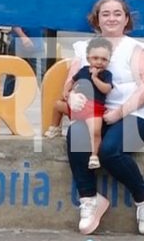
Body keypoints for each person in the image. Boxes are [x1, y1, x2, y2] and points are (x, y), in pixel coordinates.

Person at [65, 0, 144, 236]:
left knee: (109, 151)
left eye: (117, 13)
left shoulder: (137, 49)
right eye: (105, 13)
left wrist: (119, 113)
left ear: (126, 18)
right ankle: (89, 198)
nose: (111, 18)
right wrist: (72, 98)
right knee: (76, 134)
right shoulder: (84, 49)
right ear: (96, 19)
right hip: (97, 115)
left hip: (137, 115)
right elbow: (70, 83)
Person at [45, 37, 113, 171]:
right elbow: (72, 80)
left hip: (94, 110)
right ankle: (55, 127)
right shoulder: (83, 70)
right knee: (58, 105)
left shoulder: (106, 74)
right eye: (95, 58)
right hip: (77, 107)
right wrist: (66, 91)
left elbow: (107, 89)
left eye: (104, 59)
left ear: (108, 61)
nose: (99, 62)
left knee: (95, 131)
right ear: (88, 58)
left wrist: (94, 78)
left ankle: (94, 155)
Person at [2, 0, 45, 96]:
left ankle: (48, 105)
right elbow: (14, 20)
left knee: (43, 74)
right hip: (19, 41)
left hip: (37, 40)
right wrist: (23, 37)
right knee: (12, 74)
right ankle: (5, 104)